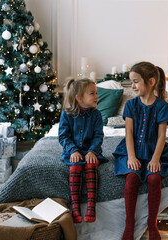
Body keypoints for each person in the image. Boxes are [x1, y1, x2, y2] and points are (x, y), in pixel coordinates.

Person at [113, 62, 168, 240]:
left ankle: (152, 223)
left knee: (154, 177)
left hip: (155, 151)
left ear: (151, 81)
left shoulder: (162, 106)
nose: (132, 86)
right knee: (132, 177)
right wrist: (131, 156)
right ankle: (129, 224)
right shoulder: (130, 105)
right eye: (132, 82)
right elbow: (128, 132)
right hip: (132, 150)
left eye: (136, 81)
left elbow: (162, 136)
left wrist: (155, 160)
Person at [59, 78, 107, 223]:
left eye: (96, 93)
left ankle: (91, 205)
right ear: (79, 98)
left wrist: (92, 151)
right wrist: (73, 150)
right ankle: (75, 207)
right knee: (75, 168)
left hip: (91, 151)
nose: (96, 96)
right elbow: (63, 137)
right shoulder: (66, 114)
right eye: (92, 93)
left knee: (91, 166)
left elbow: (98, 136)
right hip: (72, 152)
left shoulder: (96, 115)